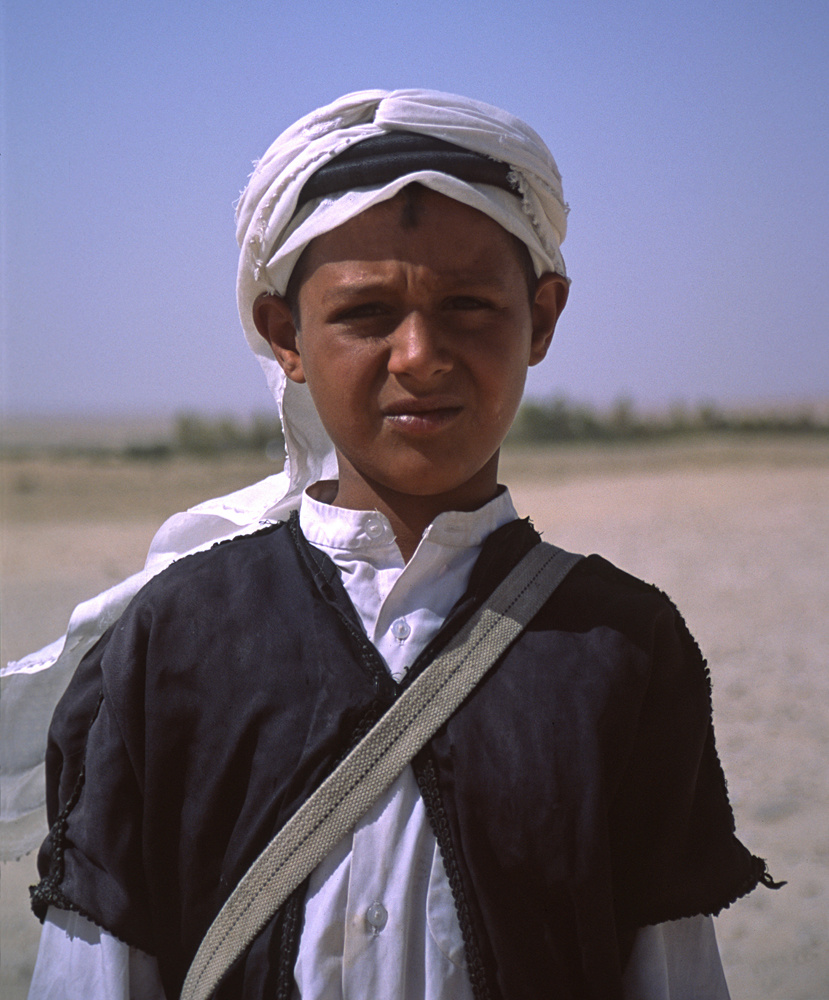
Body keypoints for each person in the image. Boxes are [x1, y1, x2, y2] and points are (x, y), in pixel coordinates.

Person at [17, 89, 776, 999]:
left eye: (466, 305)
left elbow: (670, 973)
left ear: (540, 320)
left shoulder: (624, 647)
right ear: (283, 336)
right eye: (367, 313)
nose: (419, 354)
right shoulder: (171, 637)